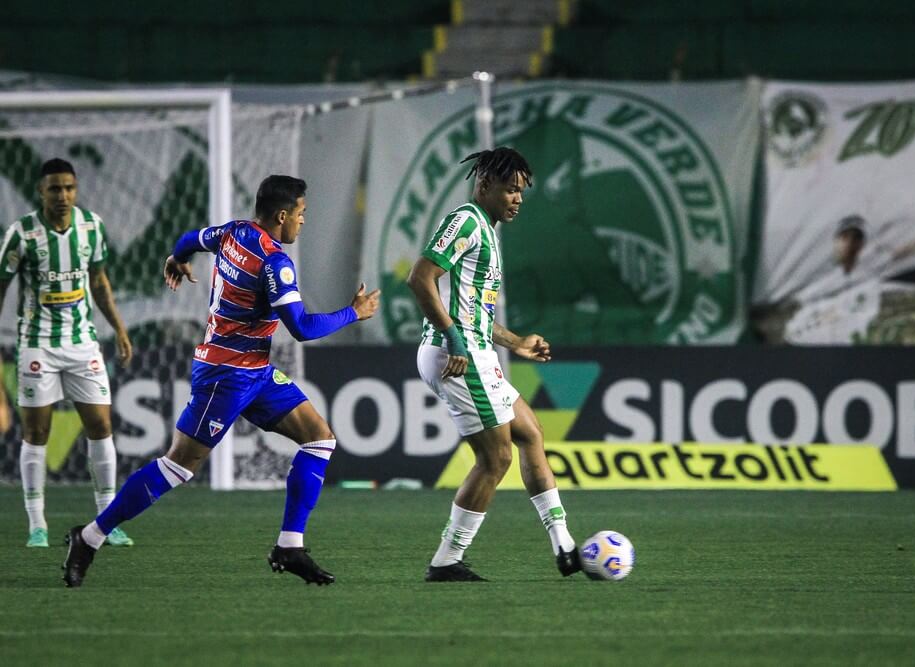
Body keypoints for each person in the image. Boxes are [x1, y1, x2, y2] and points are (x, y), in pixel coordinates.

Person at [62, 175, 380, 587]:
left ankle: (290, 546)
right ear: (282, 216)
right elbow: (301, 327)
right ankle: (88, 537)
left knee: (320, 439)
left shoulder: (232, 232)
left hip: (256, 371)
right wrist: (353, 312)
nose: (303, 222)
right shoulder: (274, 262)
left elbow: (190, 237)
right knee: (178, 467)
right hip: (225, 375)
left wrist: (178, 258)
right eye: (301, 214)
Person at [407, 147, 582, 582]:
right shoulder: (466, 220)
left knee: (530, 433)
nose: (518, 199)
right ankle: (446, 561)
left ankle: (564, 545)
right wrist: (453, 338)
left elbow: (476, 315)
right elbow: (420, 277)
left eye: (521, 192)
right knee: (496, 458)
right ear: (484, 185)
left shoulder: (486, 228)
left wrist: (517, 341)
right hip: (456, 354)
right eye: (510, 189)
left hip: (473, 348)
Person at [0, 158, 134, 549]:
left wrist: (120, 329)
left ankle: (107, 521)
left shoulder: (91, 226)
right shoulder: (21, 234)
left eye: (69, 188)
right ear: (41, 191)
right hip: (37, 343)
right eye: (55, 188)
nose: (63, 196)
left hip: (83, 343)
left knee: (101, 426)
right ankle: (36, 524)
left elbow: (99, 281)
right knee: (36, 433)